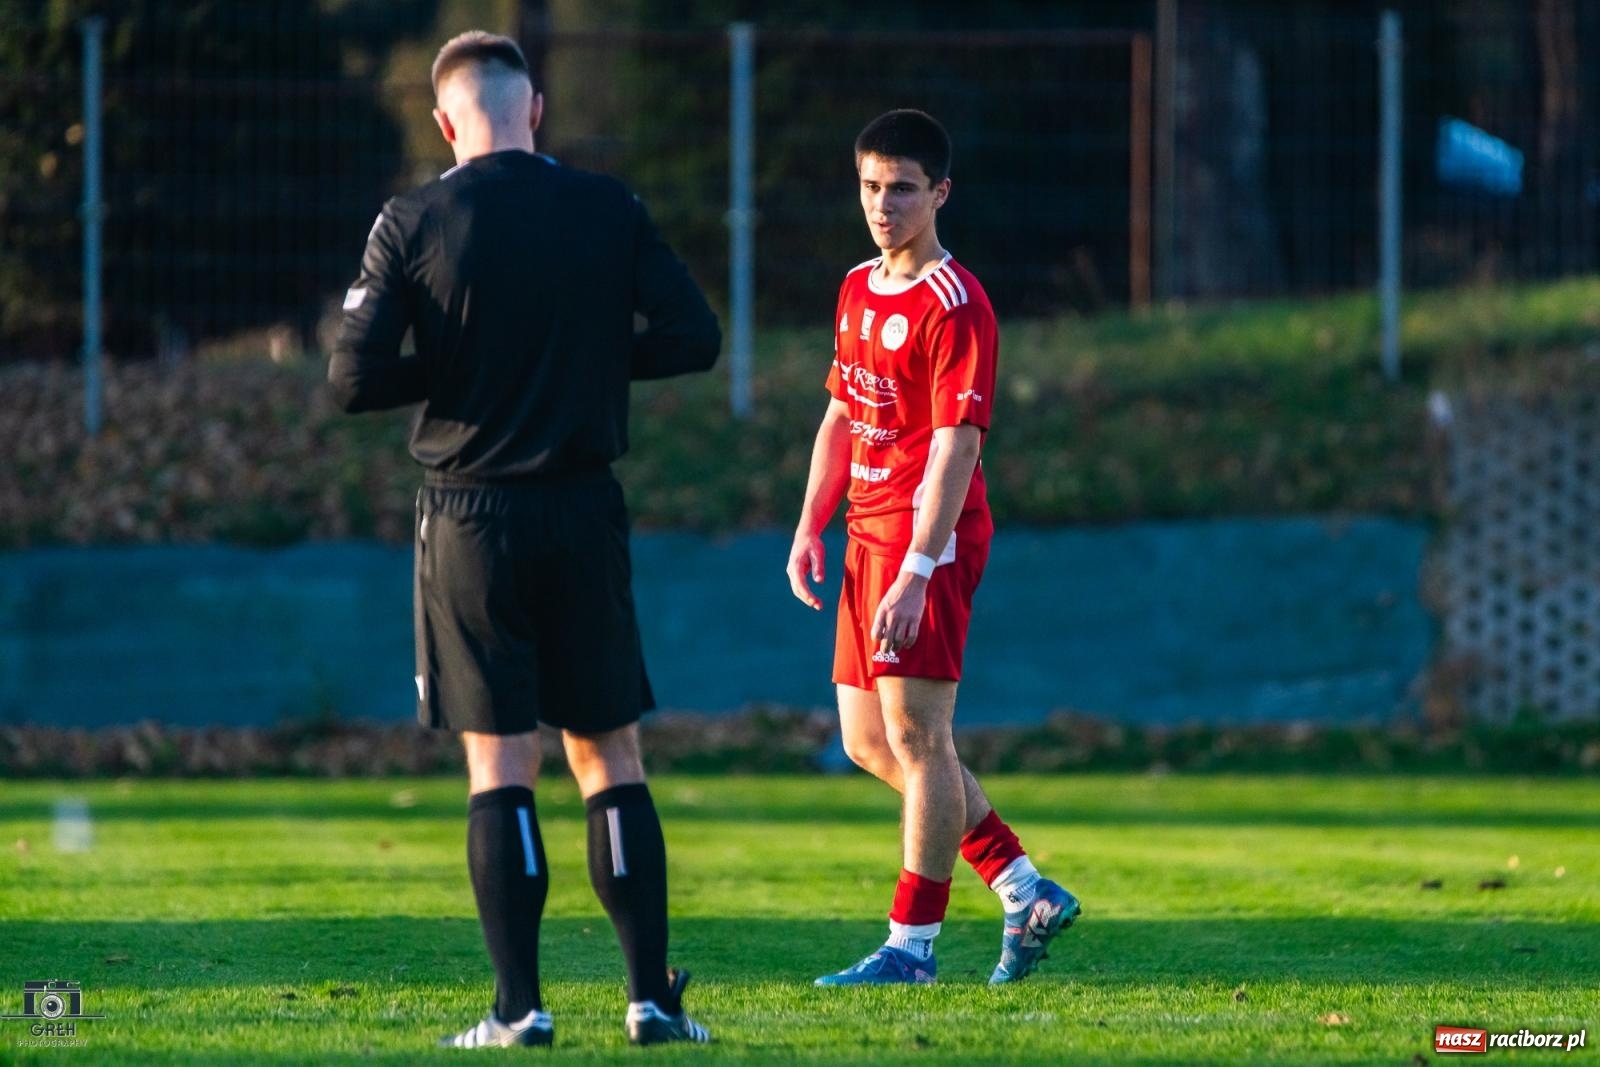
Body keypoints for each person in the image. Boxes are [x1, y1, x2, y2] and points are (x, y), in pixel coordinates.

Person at [329, 31, 719, 1048]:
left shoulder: (413, 217)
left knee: (500, 764)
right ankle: (648, 998)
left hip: (470, 515)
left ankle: (518, 1007)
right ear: (535, 107)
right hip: (583, 508)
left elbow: (353, 377)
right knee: (611, 755)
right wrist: (582, 363)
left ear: (445, 119)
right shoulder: (606, 206)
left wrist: (462, 367)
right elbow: (693, 337)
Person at [787, 109, 1080, 987]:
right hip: (861, 531)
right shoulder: (855, 285)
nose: (883, 204)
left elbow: (958, 445)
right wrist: (810, 521)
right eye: (871, 186)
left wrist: (919, 566)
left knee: (920, 738)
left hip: (926, 538)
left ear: (940, 193)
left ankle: (910, 948)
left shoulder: (958, 302)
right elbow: (843, 412)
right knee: (869, 742)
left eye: (903, 188)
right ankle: (1023, 886)